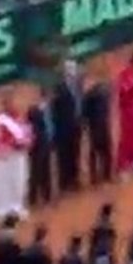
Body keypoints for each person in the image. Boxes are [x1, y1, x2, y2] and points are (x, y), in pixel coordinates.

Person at [0, 93, 32, 222]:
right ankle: (8, 209)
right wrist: (12, 145)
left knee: (22, 180)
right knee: (10, 181)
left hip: (21, 155)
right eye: (9, 102)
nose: (13, 104)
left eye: (13, 101)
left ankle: (18, 206)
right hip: (10, 157)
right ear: (5, 104)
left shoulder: (19, 117)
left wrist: (28, 141)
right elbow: (0, 140)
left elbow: (27, 132)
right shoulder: (2, 120)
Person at [52, 60, 84, 193]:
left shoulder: (77, 85)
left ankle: (75, 179)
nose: (74, 73)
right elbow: (55, 110)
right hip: (63, 127)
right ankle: (64, 183)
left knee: (75, 152)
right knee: (64, 155)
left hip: (76, 124)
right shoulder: (59, 88)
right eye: (71, 71)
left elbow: (79, 102)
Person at [83, 64, 114, 185]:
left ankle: (104, 175)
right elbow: (85, 113)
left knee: (104, 150)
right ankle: (97, 176)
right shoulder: (91, 95)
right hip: (95, 125)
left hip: (101, 124)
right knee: (97, 151)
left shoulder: (101, 92)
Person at [26, 87, 55, 210]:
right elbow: (32, 128)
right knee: (36, 173)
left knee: (46, 171)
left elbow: (51, 126)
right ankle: (33, 199)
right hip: (37, 147)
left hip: (47, 143)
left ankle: (47, 197)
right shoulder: (34, 111)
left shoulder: (49, 109)